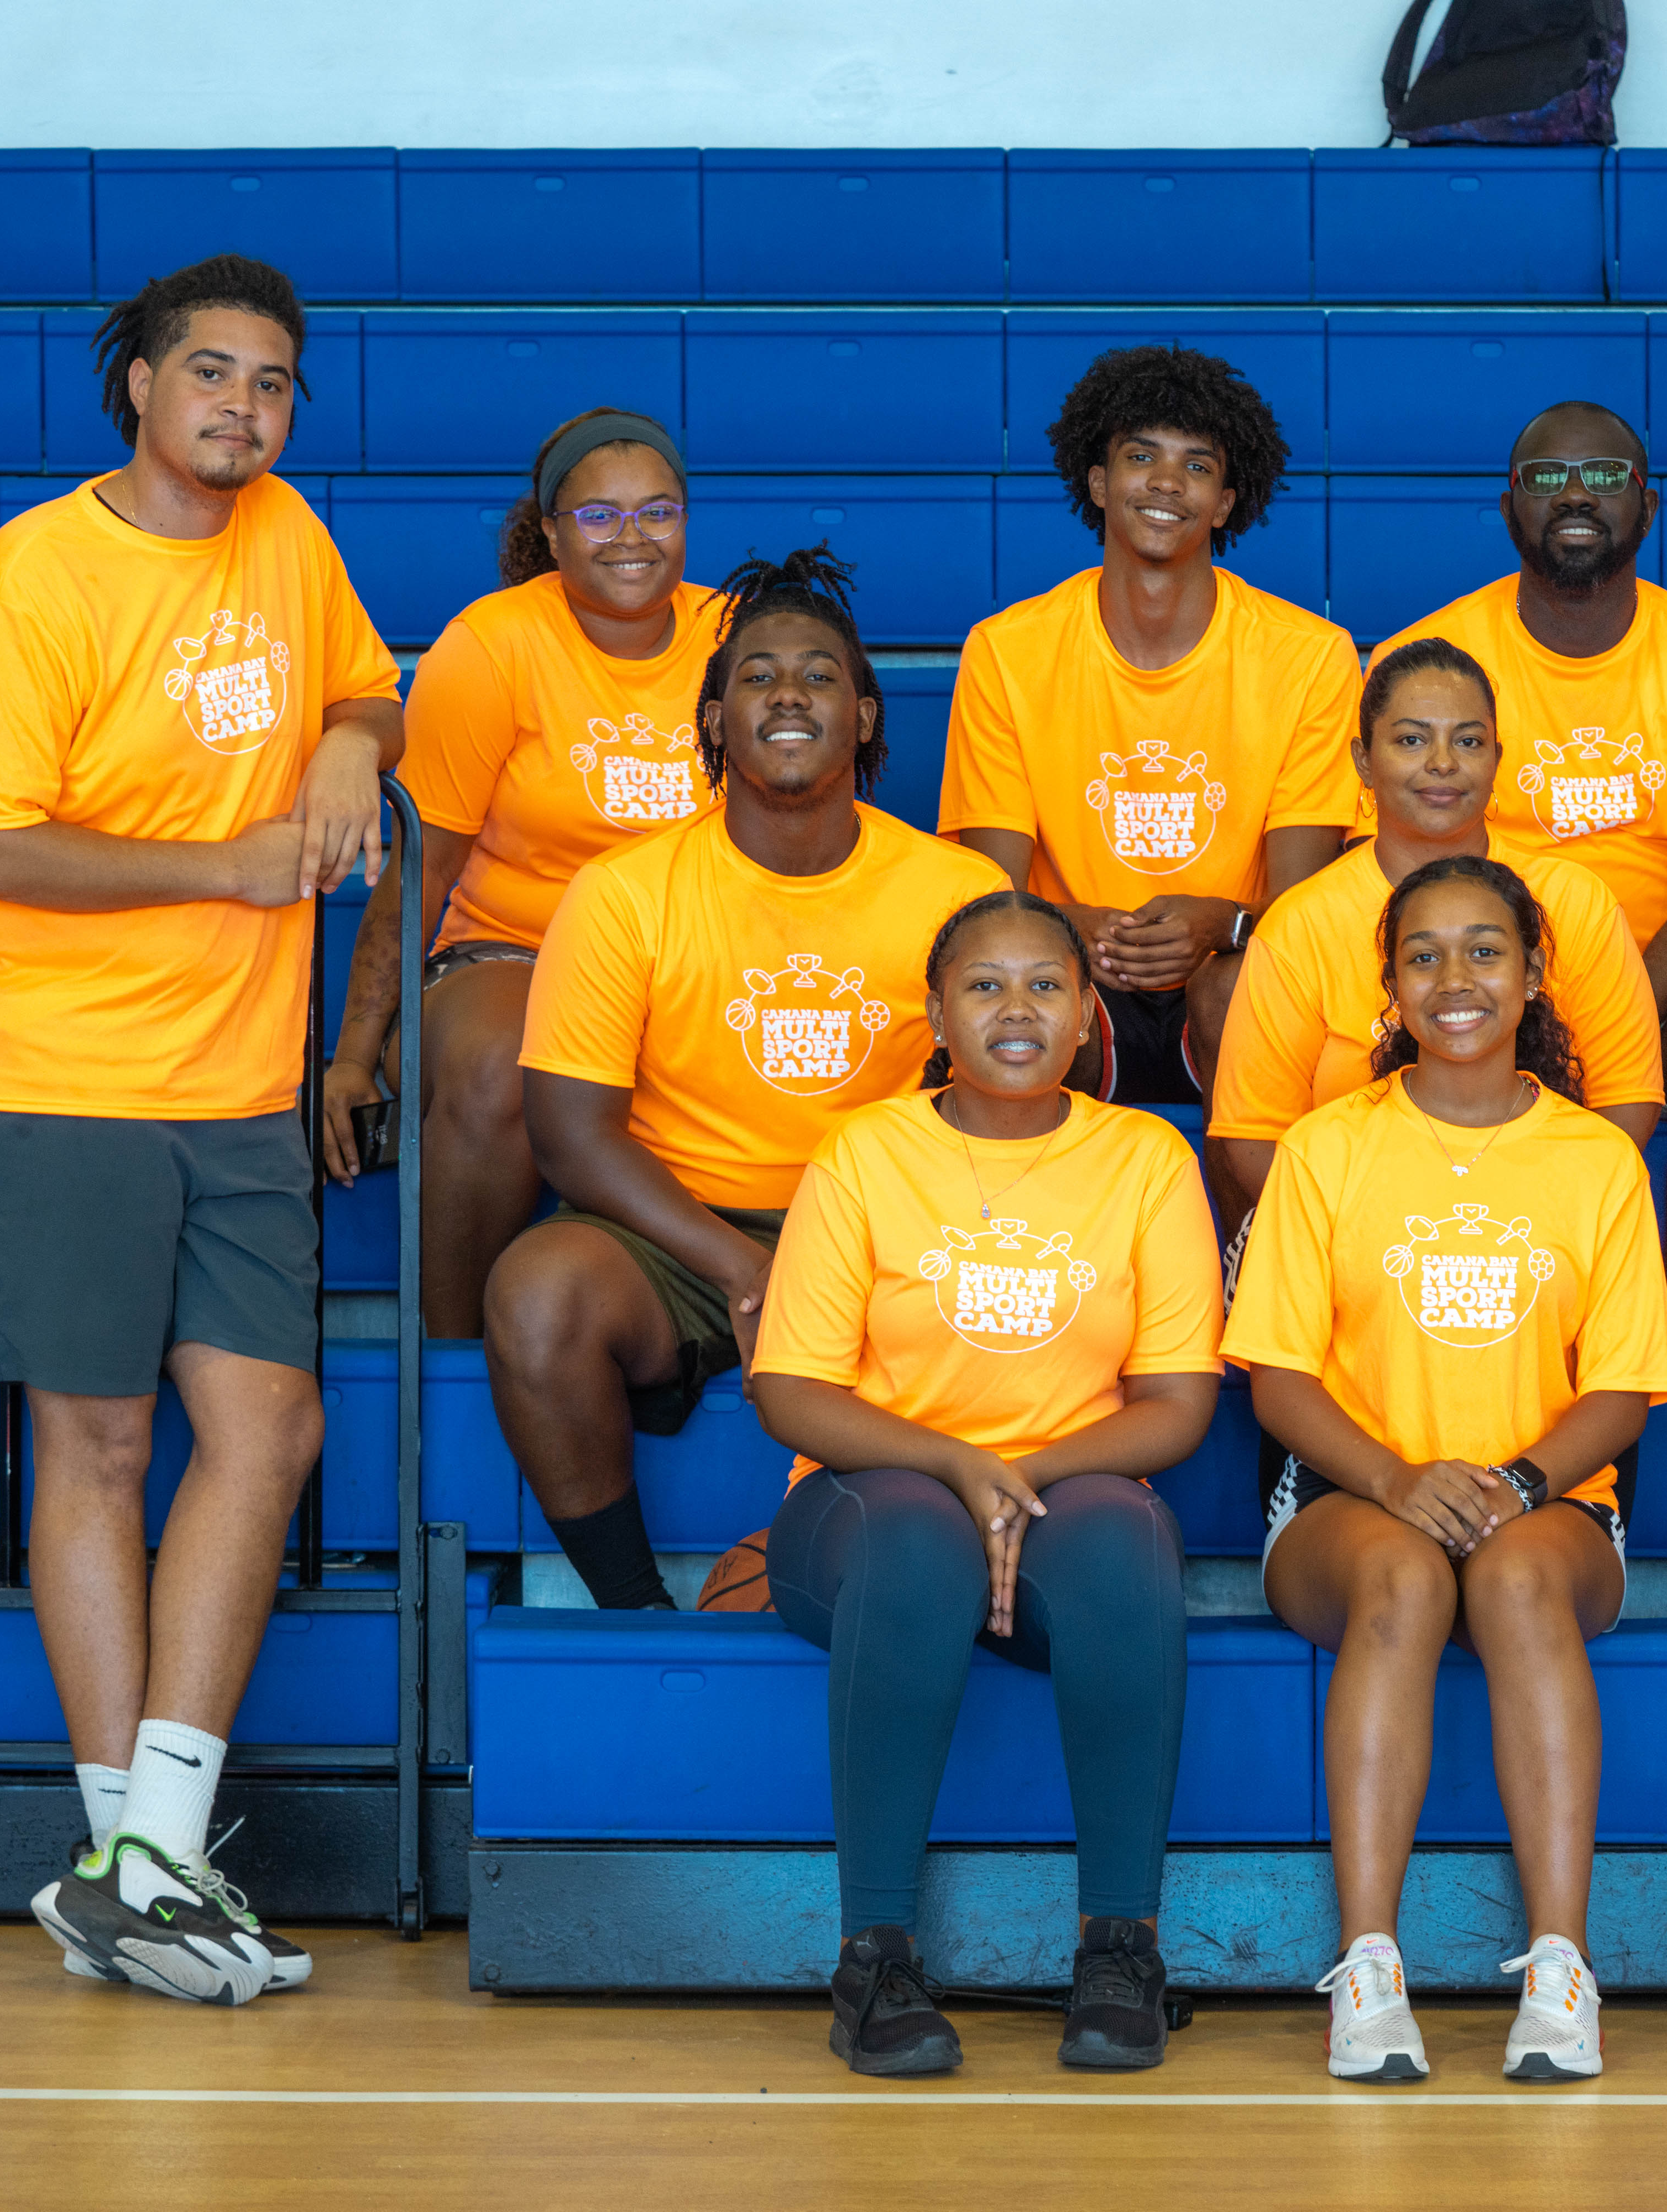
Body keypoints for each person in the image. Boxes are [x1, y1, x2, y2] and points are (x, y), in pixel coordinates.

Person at [0, 254, 400, 2002]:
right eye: (211, 374)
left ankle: (150, 1857)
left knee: (267, 1426)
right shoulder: (32, 581)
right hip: (55, 1079)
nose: (243, 410)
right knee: (102, 1449)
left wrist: (354, 743)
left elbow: (361, 685)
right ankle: (138, 1844)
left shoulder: (288, 535)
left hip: (233, 1083)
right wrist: (222, 862)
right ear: (137, 382)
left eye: (272, 384)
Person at [750, 890, 1223, 2077]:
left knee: (1122, 1542)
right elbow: (792, 1391)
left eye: (1046, 985)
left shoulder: (1145, 1158)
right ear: (936, 1012)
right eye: (985, 984)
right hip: (864, 1506)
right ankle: (876, 1956)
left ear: (1086, 1016)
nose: (1018, 1009)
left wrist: (1021, 1478)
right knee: (919, 1537)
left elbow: (1177, 1407)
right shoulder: (865, 1149)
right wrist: (960, 1467)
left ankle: (1120, 1947)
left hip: (1066, 1496)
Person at [1226, 855, 1667, 2086]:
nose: (1455, 978)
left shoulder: (1594, 1158)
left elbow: (1626, 1385)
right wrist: (1393, 1478)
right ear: (1389, 989)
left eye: (1485, 950)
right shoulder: (1326, 1148)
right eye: (1423, 955)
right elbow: (1277, 1378)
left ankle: (1560, 1965)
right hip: (1348, 1497)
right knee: (1409, 1583)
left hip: (1548, 1496)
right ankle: (1369, 1966)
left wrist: (1521, 1483)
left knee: (1517, 1581)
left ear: (1535, 975)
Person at [484, 549, 1009, 1613]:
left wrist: (834, 1258)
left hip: (888, 1226)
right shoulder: (625, 892)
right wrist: (740, 1265)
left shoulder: (960, 890)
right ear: (715, 723)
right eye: (756, 677)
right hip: (683, 1230)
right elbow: (569, 1135)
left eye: (819, 676)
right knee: (537, 1295)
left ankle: (923, 1574)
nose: (786, 694)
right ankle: (632, 1612)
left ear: (864, 718)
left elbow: (1015, 1103)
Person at [1373, 402, 1667, 1328]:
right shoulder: (1432, 665)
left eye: (1603, 477)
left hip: (1657, 988)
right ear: (1507, 507)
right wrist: (1510, 989)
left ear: (1648, 506)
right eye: (1547, 477)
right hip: (1468, 975)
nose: (1575, 492)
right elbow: (1396, 860)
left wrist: (1606, 1002)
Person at [318, 406, 720, 1334]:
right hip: (516, 951)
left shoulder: (734, 635)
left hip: (692, 963)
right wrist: (350, 1058)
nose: (633, 538)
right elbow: (422, 866)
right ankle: (453, 1357)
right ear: (550, 530)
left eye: (659, 512)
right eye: (600, 516)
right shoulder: (494, 644)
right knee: (504, 1062)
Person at [942, 345, 1360, 1105]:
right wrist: (1077, 930)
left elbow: (1304, 912)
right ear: (1099, 483)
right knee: (1021, 983)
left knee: (1245, 985)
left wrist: (1218, 926)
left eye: (1198, 466)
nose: (1169, 482)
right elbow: (992, 900)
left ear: (1227, 503)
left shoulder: (1309, 656)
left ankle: (1258, 1225)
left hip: (1229, 974)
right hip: (1077, 976)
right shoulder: (1007, 651)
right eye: (1143, 457)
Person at [1207, 636, 1662, 1231]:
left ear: (1497, 759)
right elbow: (1253, 1139)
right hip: (1350, 1232)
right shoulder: (1302, 924)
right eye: (1412, 740)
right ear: (1364, 761)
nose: (1442, 762)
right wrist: (1384, 1235)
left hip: (1540, 1228)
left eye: (1468, 741)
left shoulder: (1577, 901)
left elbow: (1626, 1102)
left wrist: (1517, 1219)